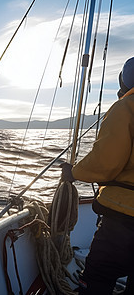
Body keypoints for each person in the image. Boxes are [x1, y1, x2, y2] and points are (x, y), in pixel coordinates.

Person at [61, 56, 134, 295]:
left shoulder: (126, 107)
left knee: (97, 279)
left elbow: (106, 163)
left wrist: (74, 173)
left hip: (124, 221)